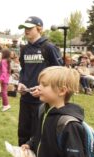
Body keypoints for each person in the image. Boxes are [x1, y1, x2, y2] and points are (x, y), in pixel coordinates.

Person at [16, 16, 63, 146]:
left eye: (29, 28)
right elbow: (23, 70)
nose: (26, 31)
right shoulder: (24, 49)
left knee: (39, 136)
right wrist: (20, 82)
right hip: (25, 98)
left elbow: (59, 72)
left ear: (39, 28)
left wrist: (44, 89)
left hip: (42, 101)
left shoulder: (48, 48)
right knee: (23, 133)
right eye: (25, 28)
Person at [21, 66, 85, 157]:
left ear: (62, 91)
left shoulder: (69, 124)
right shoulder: (43, 110)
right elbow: (40, 136)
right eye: (39, 84)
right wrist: (30, 144)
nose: (38, 88)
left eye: (44, 85)